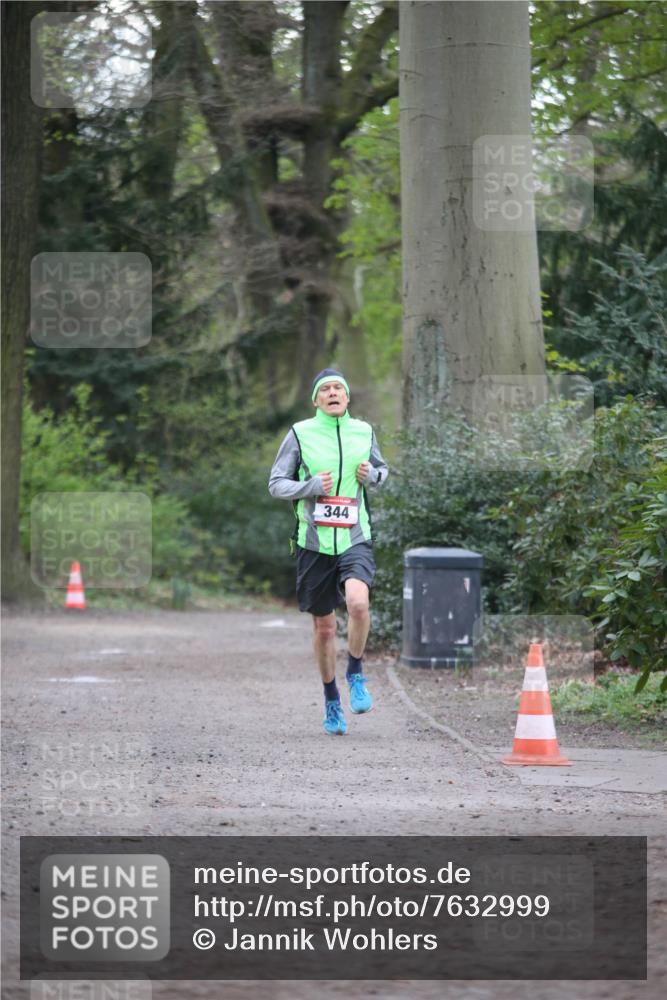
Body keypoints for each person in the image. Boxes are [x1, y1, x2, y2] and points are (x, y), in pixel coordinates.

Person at [268, 368, 389, 735]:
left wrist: (372, 476)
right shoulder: (300, 434)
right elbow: (276, 484)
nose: (333, 393)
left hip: (354, 536)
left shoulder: (364, 431)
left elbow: (383, 473)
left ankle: (355, 672)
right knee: (324, 629)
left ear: (347, 398)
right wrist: (308, 487)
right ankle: (331, 699)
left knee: (358, 603)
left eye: (339, 388)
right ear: (316, 400)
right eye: (326, 389)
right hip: (314, 543)